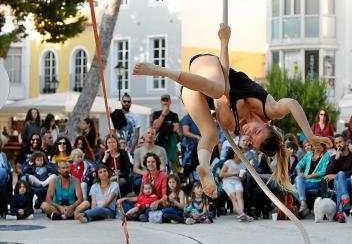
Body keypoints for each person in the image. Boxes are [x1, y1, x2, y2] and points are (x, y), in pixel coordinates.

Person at [133, 24, 331, 197]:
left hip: (192, 90)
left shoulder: (230, 122)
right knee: (219, 87)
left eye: (252, 140)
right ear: (267, 123)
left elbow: (220, 89)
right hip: (206, 66)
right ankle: (159, 70)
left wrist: (224, 43)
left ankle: (205, 168)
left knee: (210, 133)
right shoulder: (270, 108)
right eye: (256, 131)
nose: (248, 134)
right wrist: (309, 135)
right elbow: (292, 104)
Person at [324, 134, 352, 223]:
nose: (338, 145)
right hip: (338, 182)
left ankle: (340, 213)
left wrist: (337, 176)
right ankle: (344, 202)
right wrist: (336, 158)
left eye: (340, 142)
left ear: (346, 142)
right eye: (336, 143)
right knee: (339, 182)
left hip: (350, 180)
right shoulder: (334, 158)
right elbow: (327, 173)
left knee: (340, 176)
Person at [294, 142, 330, 218]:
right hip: (304, 181)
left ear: (323, 146)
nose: (316, 147)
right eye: (315, 144)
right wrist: (299, 173)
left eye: (318, 145)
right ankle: (304, 204)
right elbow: (299, 165)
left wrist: (308, 177)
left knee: (295, 186)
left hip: (315, 182)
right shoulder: (309, 154)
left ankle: (305, 206)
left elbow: (323, 171)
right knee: (298, 179)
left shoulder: (326, 155)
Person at [220, 150, 253, 222]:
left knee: (239, 196)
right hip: (227, 181)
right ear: (235, 155)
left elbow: (243, 179)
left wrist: (242, 175)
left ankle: (241, 214)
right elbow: (221, 174)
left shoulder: (243, 164)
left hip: (237, 181)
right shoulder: (228, 162)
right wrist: (234, 173)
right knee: (233, 197)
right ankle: (242, 214)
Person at [132, 128, 167, 192]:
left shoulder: (161, 150)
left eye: (152, 134)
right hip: (144, 174)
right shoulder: (138, 151)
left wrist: (156, 175)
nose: (150, 135)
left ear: (155, 137)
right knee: (136, 184)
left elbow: (163, 166)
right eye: (148, 133)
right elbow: (135, 169)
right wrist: (146, 174)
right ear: (144, 135)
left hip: (157, 175)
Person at [152, 94, 180, 173]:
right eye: (163, 100)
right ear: (161, 102)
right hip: (159, 141)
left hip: (170, 142)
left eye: (167, 100)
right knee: (159, 160)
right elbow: (156, 127)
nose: (165, 102)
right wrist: (163, 115)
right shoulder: (156, 114)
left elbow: (176, 128)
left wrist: (163, 127)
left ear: (170, 101)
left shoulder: (174, 115)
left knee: (170, 162)